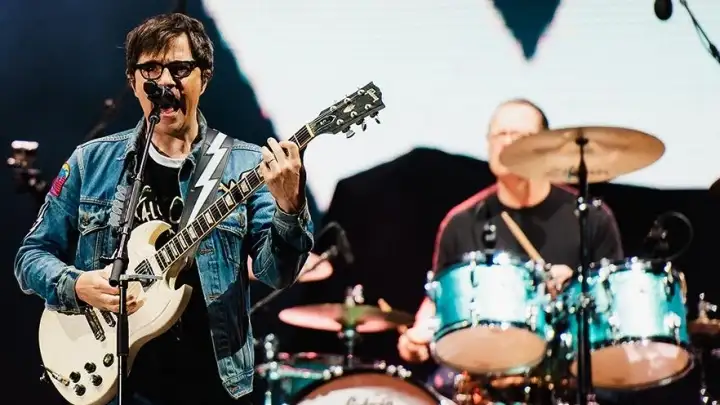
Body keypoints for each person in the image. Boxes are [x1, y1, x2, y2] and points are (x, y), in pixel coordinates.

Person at [14, 13, 313, 405]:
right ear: (134, 82)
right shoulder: (91, 162)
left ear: (204, 78)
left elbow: (278, 274)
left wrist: (289, 207)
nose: (165, 81)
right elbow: (30, 256)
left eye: (180, 69)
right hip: (118, 382)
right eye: (151, 69)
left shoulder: (245, 165)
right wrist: (76, 285)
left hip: (212, 386)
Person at [396, 99, 624, 401]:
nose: (506, 142)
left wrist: (572, 288)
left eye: (518, 135)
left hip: (565, 381)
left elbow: (613, 307)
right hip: (484, 382)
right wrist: (416, 337)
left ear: (545, 146)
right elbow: (440, 298)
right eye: (499, 134)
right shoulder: (461, 222)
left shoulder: (589, 217)